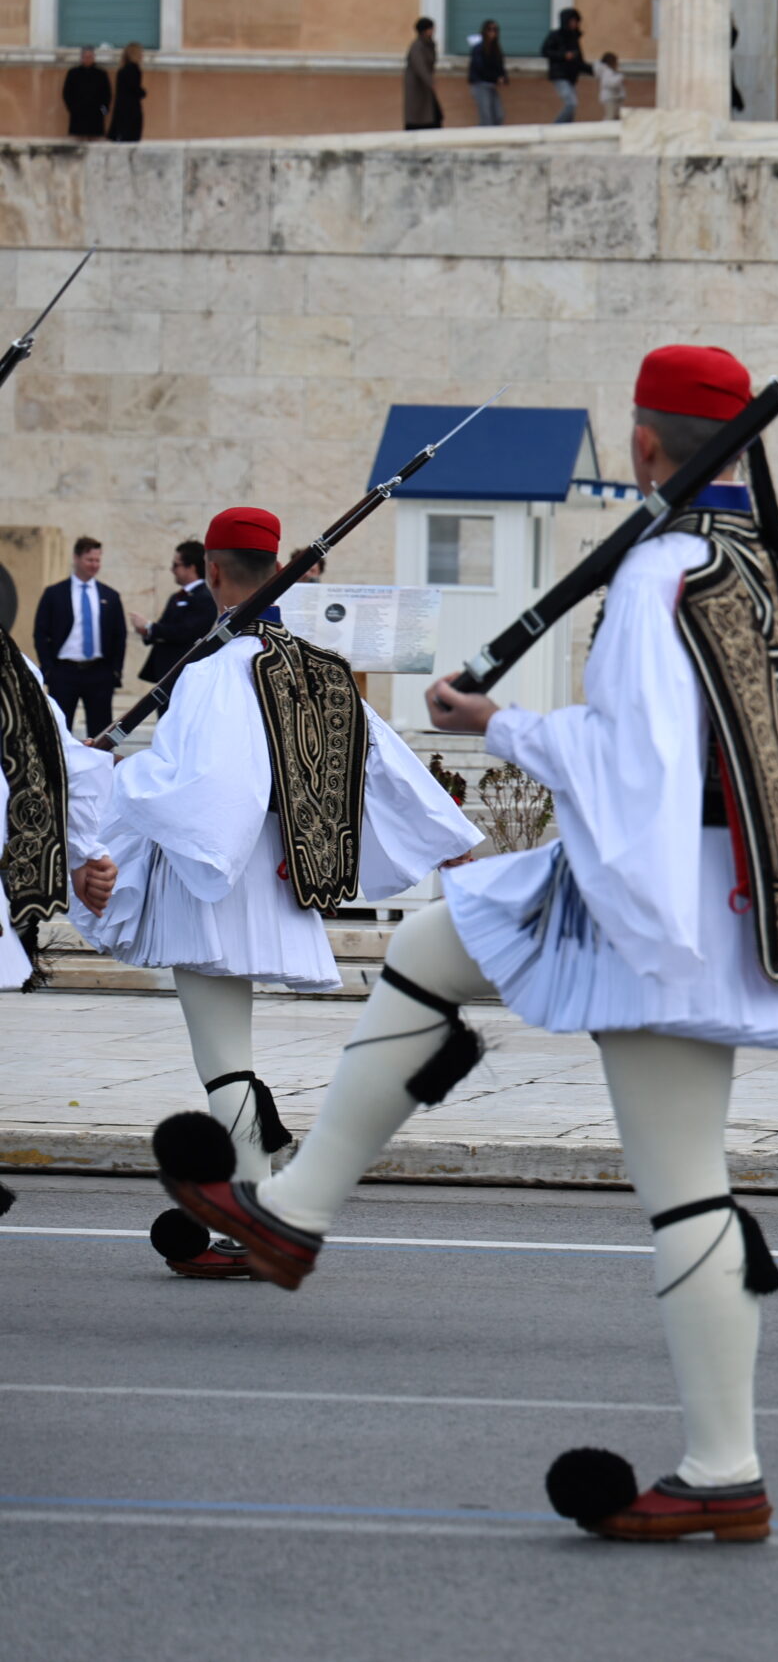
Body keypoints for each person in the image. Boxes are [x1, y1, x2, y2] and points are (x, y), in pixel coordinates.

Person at [152, 347, 778, 1539]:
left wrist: (500, 725)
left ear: (644, 450)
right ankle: (298, 1209)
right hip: (724, 892)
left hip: (661, 902)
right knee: (433, 946)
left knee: (686, 1186)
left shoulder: (664, 575)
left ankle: (724, 1472)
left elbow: (630, 763)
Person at [75, 506, 478, 1278]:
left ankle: (254, 1213)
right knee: (233, 1052)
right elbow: (382, 755)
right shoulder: (318, 667)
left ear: (215, 573)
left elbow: (200, 786)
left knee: (221, 1054)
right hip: (283, 875)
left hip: (215, 880)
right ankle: (268, 1165)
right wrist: (450, 838)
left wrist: (109, 779)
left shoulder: (215, 671)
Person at [34, 537, 124, 739]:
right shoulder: (54, 594)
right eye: (89, 559)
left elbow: (119, 636)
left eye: (97, 560)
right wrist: (48, 669)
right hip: (64, 673)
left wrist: (115, 671)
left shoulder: (110, 596)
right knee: (59, 730)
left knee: (101, 733)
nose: (94, 565)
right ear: (76, 558)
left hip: (99, 673)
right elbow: (41, 633)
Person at [132, 538, 216, 689]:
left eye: (176, 565)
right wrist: (147, 630)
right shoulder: (177, 596)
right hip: (166, 673)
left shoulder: (204, 598)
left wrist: (150, 626)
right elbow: (165, 627)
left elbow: (185, 632)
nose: (172, 569)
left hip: (182, 672)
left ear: (190, 567)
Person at [541, 8, 590, 124]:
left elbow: (580, 61)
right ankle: (555, 126)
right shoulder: (555, 35)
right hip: (559, 75)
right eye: (572, 21)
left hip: (571, 78)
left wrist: (595, 69)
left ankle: (567, 128)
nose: (575, 24)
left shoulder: (575, 39)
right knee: (571, 103)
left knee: (572, 107)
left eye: (576, 21)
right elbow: (544, 51)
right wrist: (563, 55)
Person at [62, 47, 110, 140]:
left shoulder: (101, 74)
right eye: (85, 57)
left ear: (94, 58)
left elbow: (107, 95)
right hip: (78, 114)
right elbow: (67, 93)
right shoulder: (73, 73)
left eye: (90, 57)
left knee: (95, 139)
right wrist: (72, 108)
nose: (88, 59)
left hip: (96, 114)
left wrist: (104, 112)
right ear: (81, 58)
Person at [467, 20, 508, 126]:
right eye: (489, 30)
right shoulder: (478, 48)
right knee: (487, 117)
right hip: (480, 84)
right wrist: (496, 78)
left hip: (491, 85)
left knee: (499, 115)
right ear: (484, 31)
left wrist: (503, 77)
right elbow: (480, 67)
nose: (492, 33)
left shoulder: (496, 48)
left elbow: (500, 66)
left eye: (495, 30)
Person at [107, 44, 145, 143]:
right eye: (141, 53)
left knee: (122, 138)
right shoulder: (134, 70)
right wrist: (143, 92)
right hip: (131, 111)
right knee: (131, 139)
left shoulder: (122, 70)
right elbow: (134, 88)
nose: (142, 56)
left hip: (121, 110)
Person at [598, 51, 626, 120]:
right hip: (610, 98)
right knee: (610, 116)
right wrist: (620, 78)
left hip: (616, 97)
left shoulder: (612, 71)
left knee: (616, 117)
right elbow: (610, 83)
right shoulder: (607, 72)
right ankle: (605, 130)